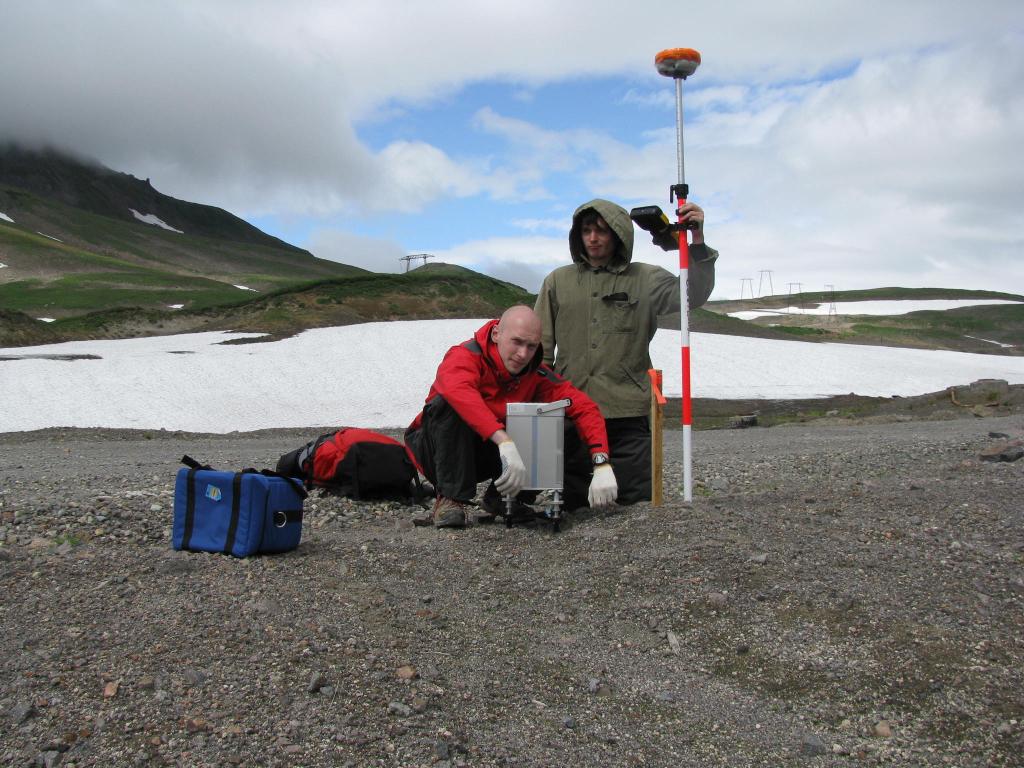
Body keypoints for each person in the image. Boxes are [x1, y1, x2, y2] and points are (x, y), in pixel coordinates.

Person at [534, 198, 718, 510]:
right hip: (572, 415)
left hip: (628, 419)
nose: (593, 238)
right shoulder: (557, 282)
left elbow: (693, 295)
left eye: (602, 231)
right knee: (574, 511)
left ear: (619, 235)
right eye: (587, 230)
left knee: (638, 509)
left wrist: (697, 241)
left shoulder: (646, 279)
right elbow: (541, 351)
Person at [405, 305, 618, 528]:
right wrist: (504, 440)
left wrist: (601, 462)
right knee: (449, 403)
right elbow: (457, 390)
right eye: (517, 342)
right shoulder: (464, 356)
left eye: (531, 346)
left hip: (490, 451)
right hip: (435, 449)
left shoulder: (535, 375)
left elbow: (585, 407)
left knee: (559, 422)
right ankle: (450, 499)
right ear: (496, 334)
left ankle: (504, 498)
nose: (523, 354)